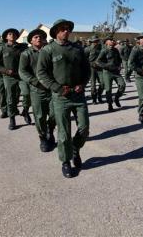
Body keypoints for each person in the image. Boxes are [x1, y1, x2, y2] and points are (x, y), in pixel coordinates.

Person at [37, 19, 90, 178]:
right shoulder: (48, 50)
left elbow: (87, 71)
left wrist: (82, 83)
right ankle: (65, 161)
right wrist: (58, 88)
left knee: (84, 128)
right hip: (61, 97)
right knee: (64, 133)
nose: (66, 31)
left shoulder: (77, 49)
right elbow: (41, 74)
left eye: (67, 29)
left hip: (78, 94)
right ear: (55, 32)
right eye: (62, 29)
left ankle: (75, 148)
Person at [19, 29, 56, 152]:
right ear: (30, 40)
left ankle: (50, 132)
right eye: (35, 37)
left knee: (53, 114)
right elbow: (22, 71)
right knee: (39, 116)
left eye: (41, 37)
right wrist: (35, 82)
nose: (38, 38)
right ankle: (42, 138)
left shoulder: (50, 51)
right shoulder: (26, 54)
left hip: (52, 88)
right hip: (37, 90)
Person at [0, 28, 28, 130]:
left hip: (21, 76)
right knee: (11, 99)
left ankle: (25, 111)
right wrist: (5, 70)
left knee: (26, 93)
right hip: (9, 77)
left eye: (15, 34)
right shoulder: (1, 48)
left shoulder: (22, 47)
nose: (12, 35)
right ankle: (12, 119)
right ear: (6, 37)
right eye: (10, 34)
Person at [96, 36, 126, 112]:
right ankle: (110, 105)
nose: (112, 41)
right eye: (111, 40)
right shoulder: (104, 51)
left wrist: (119, 66)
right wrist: (106, 66)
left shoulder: (115, 50)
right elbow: (98, 61)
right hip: (107, 73)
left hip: (116, 72)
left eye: (113, 40)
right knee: (108, 89)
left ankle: (116, 98)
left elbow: (119, 59)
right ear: (107, 42)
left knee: (122, 85)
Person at [84, 35, 105, 105]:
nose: (95, 42)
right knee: (93, 85)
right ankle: (94, 99)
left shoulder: (101, 48)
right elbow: (84, 59)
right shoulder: (88, 49)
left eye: (97, 41)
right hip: (92, 69)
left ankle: (99, 95)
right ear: (92, 42)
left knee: (103, 83)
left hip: (100, 68)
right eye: (94, 41)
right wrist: (90, 64)